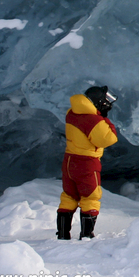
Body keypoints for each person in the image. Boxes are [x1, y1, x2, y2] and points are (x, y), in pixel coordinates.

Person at [57, 85, 118, 240]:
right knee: (91, 196)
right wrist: (105, 119)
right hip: (87, 162)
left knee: (69, 196)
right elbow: (109, 138)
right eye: (106, 99)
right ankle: (86, 234)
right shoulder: (93, 120)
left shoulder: (72, 112)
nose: (108, 102)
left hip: (70, 160)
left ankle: (63, 234)